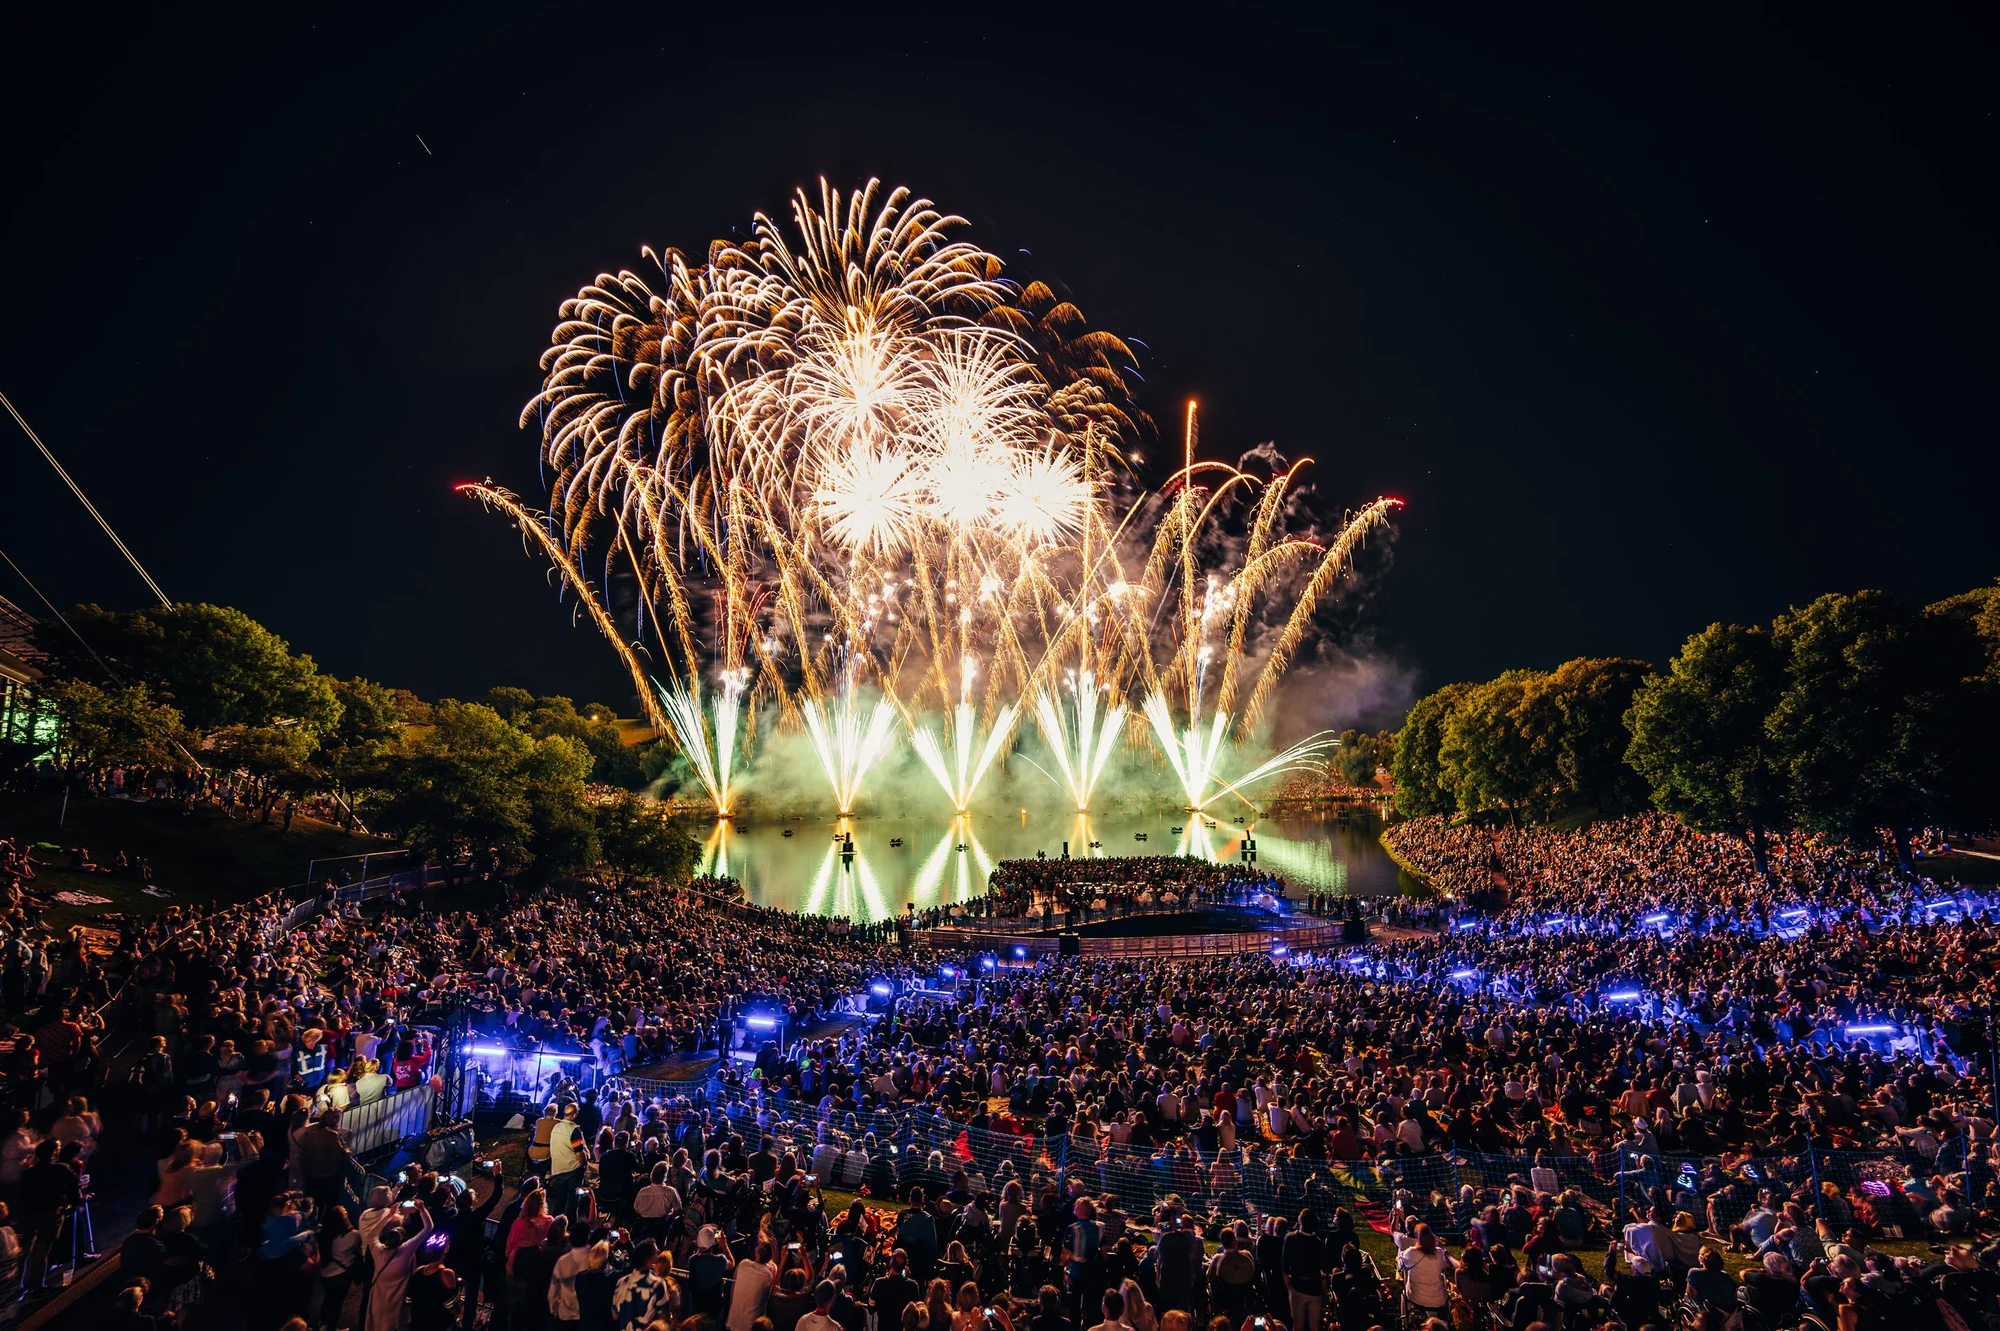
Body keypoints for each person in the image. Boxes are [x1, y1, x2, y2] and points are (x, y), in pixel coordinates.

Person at [370, 1198, 436, 1331]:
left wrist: (387, 1216)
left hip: (378, 1302)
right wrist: (422, 1210)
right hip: (397, 1306)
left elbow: (372, 1232)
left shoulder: (377, 1251)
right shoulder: (405, 1250)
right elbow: (428, 1227)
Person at [1394, 1224, 1454, 1325]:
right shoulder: (1439, 1253)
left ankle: (1405, 1322)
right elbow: (1444, 1266)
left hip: (1416, 1297)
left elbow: (1401, 1265)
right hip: (1438, 1298)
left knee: (1404, 1294)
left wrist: (1398, 1257)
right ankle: (1433, 1321)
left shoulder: (1412, 1252)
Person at [1282, 1209, 1329, 1331]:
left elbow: (1284, 1264)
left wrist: (1289, 1285)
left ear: (1300, 1221)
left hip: (1298, 1287)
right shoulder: (1319, 1243)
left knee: (1298, 1326)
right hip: (1314, 1288)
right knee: (1314, 1327)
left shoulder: (1291, 1238)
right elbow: (1323, 1266)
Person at [728, 1238, 781, 1331]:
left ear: (756, 1252)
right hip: (751, 1324)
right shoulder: (768, 1275)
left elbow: (733, 1286)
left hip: (734, 1319)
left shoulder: (743, 1264)